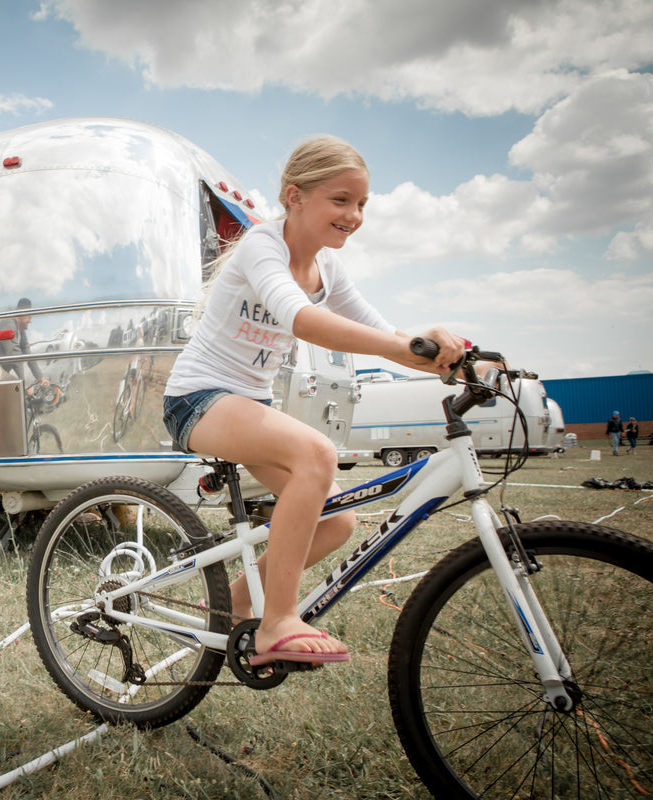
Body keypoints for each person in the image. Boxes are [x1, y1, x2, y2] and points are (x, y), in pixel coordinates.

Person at [162, 136, 465, 667]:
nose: (355, 215)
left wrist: (454, 359)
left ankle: (234, 606)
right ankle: (277, 622)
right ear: (294, 196)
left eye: (363, 204)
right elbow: (301, 319)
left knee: (338, 520)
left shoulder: (329, 270)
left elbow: (383, 333)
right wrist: (403, 346)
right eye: (342, 200)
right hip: (198, 398)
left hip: (247, 406)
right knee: (318, 455)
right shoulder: (263, 244)